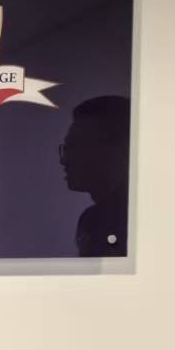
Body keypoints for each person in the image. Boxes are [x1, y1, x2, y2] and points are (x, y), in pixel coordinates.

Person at [58, 95, 130, 256]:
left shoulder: (98, 221)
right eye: (67, 148)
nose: (64, 160)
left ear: (115, 151)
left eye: (76, 147)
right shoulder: (92, 221)